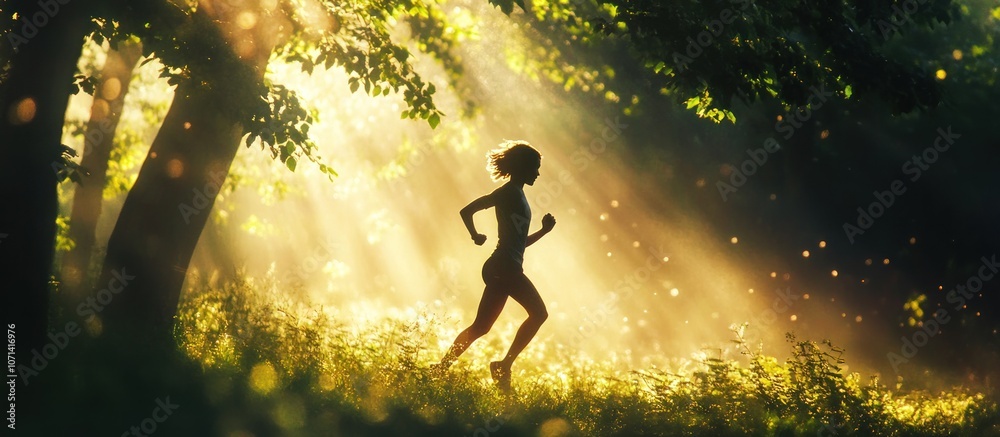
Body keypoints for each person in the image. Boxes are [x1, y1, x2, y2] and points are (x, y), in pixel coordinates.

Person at [431, 140, 556, 392]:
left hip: (504, 267)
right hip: (503, 268)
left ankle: (440, 369)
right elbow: (467, 210)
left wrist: (543, 231)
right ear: (522, 167)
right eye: (535, 167)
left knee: (480, 327)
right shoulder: (509, 192)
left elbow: (519, 244)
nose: (538, 173)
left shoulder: (519, 195)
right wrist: (474, 235)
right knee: (539, 313)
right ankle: (503, 365)